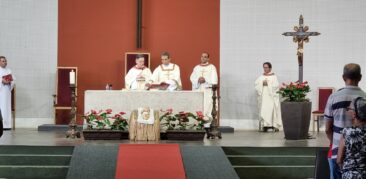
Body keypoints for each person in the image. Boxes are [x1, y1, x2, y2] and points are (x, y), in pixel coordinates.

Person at [324, 63, 366, 179]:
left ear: (343, 77)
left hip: (337, 150)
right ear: (360, 77)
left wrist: (336, 142)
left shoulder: (334, 97)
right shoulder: (365, 98)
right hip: (362, 157)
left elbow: (327, 128)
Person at [336, 97, 366, 179]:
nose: (347, 111)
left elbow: (339, 160)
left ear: (354, 114)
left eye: (349, 109)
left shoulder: (346, 132)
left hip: (350, 175)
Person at [190, 52, 218, 132]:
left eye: (205, 57)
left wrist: (205, 80)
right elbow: (192, 78)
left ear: (208, 58)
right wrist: (198, 80)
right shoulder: (196, 68)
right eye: (202, 56)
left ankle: (207, 126)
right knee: (198, 106)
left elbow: (214, 80)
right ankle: (198, 125)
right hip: (198, 90)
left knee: (208, 107)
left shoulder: (212, 67)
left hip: (208, 91)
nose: (203, 58)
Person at [254, 62, 282, 132]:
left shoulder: (274, 77)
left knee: (271, 110)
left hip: (271, 97)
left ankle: (272, 125)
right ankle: (265, 125)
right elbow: (256, 84)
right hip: (264, 97)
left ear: (270, 68)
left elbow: (276, 86)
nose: (265, 69)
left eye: (266, 67)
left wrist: (268, 83)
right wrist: (262, 83)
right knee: (264, 110)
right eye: (264, 67)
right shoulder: (261, 77)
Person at [0, 56, 15, 130]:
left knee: (7, 107)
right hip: (1, 92)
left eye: (5, 61)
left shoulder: (9, 70)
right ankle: (1, 125)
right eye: (3, 61)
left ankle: (7, 125)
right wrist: (2, 81)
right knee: (1, 107)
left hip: (7, 92)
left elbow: (13, 80)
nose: (5, 62)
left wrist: (10, 82)